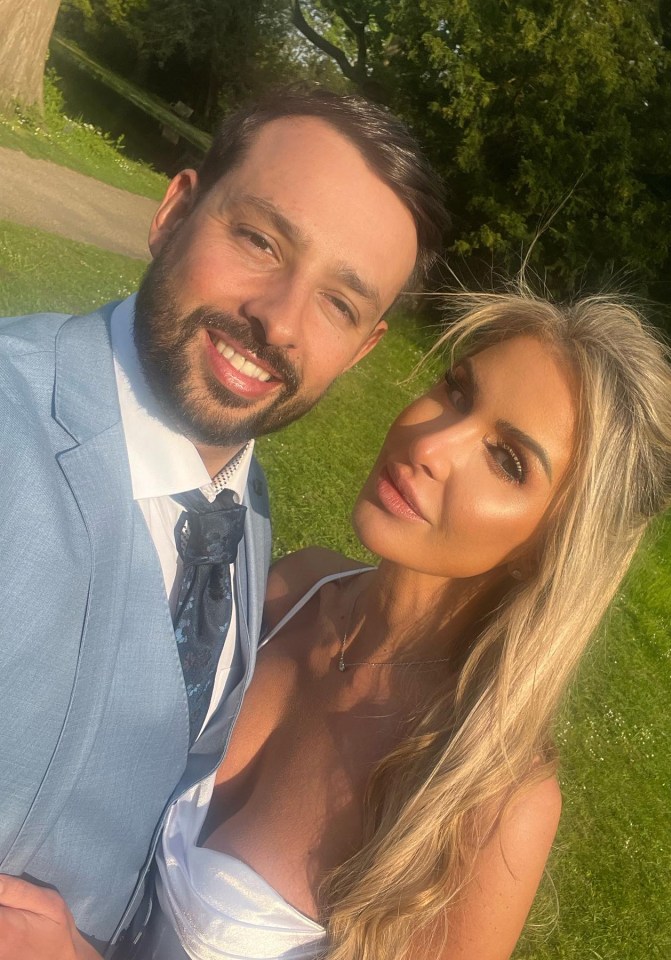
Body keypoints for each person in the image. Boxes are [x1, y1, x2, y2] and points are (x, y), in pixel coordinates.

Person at [0, 289, 671, 960]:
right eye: (456, 390)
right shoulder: (292, 588)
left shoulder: (490, 799)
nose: (431, 441)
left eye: (506, 460)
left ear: (553, 545)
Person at [0, 87, 448, 955]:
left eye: (339, 303)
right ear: (174, 210)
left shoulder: (245, 517)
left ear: (361, 349)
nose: (278, 320)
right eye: (259, 240)